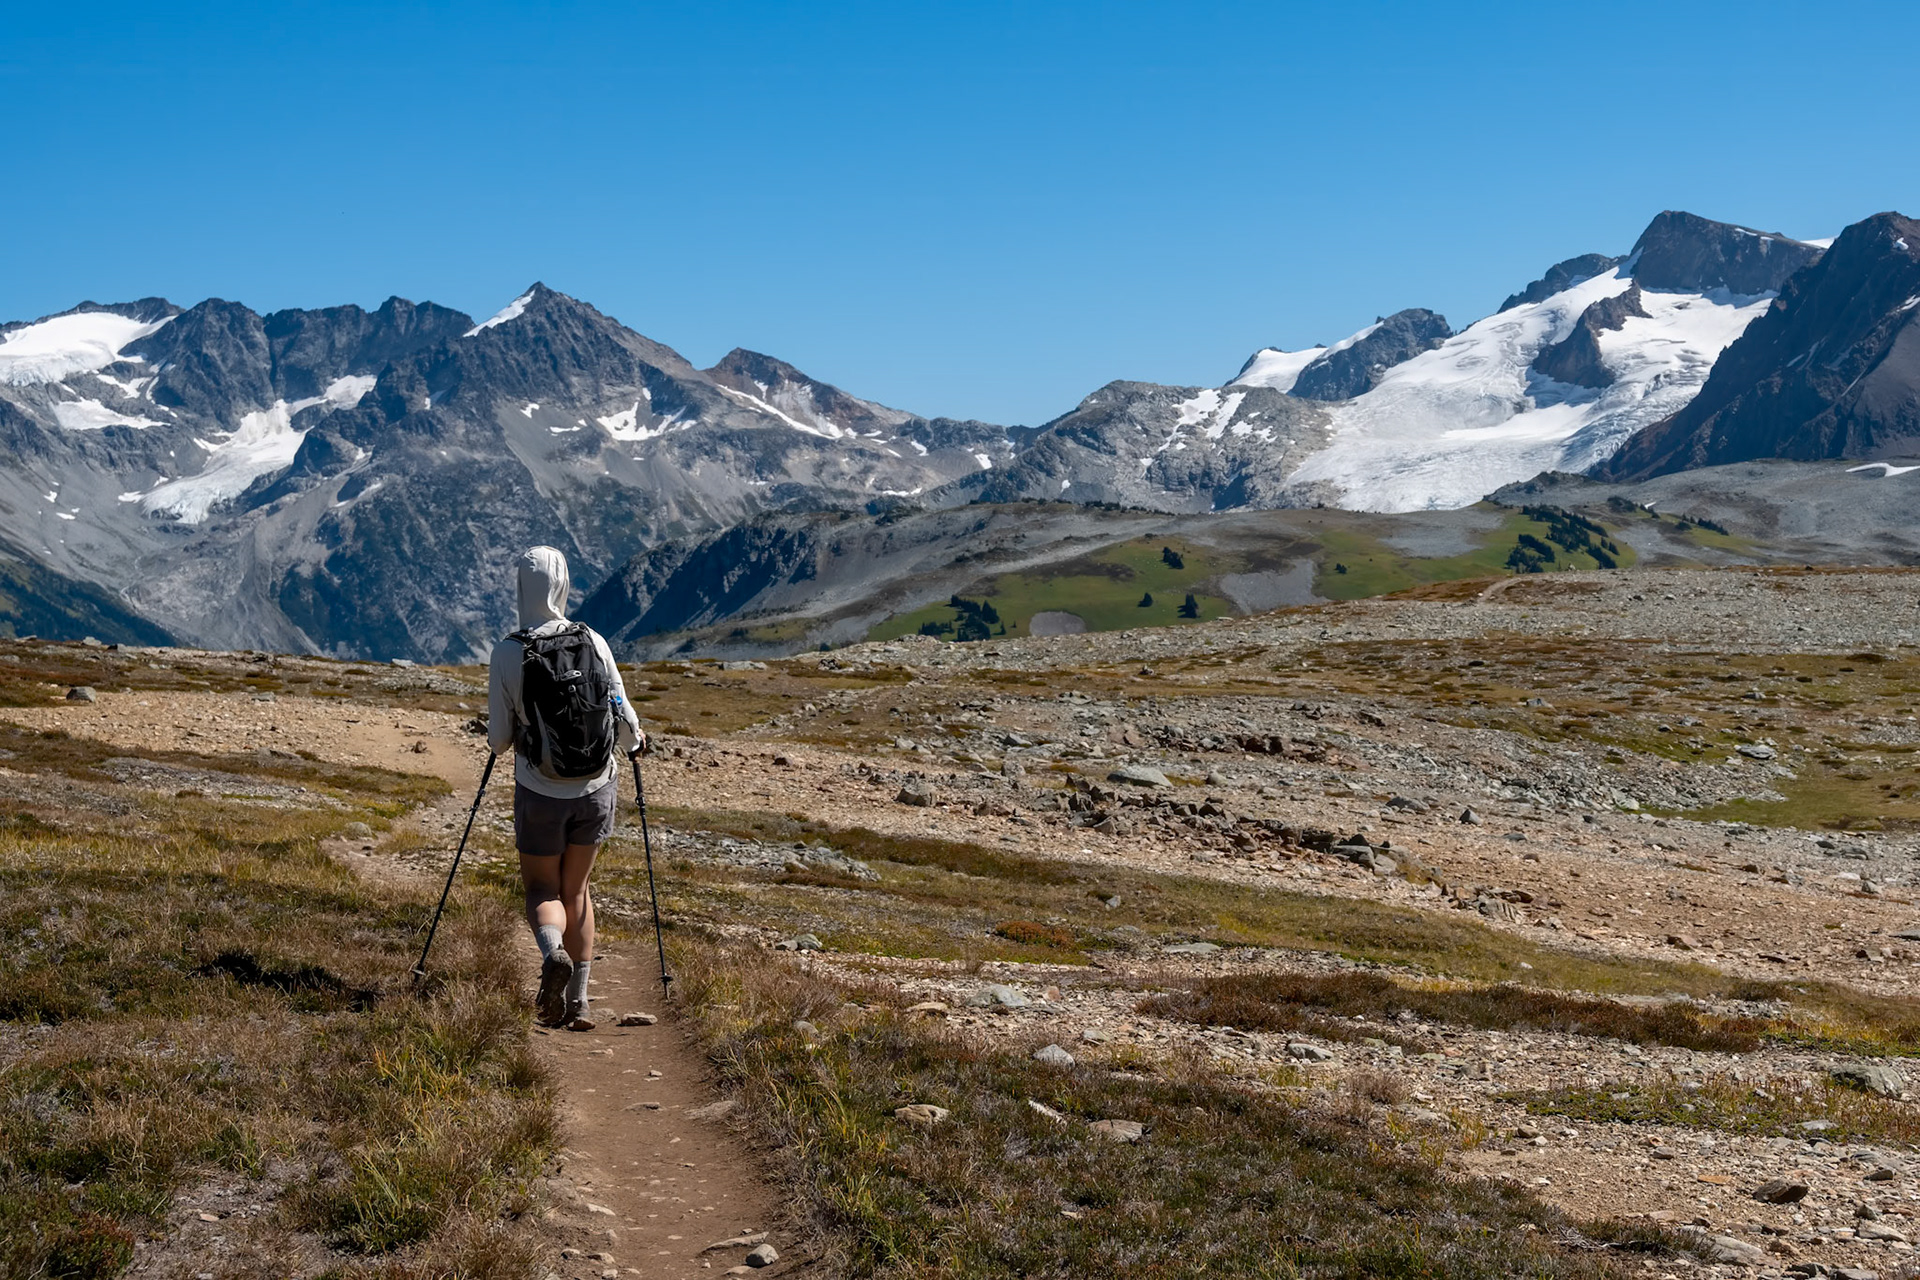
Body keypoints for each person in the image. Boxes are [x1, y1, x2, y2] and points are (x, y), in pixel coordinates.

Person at [488, 546, 644, 1029]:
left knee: (541, 888)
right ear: (563, 585)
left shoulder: (509, 651)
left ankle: (552, 951)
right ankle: (579, 1001)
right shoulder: (593, 640)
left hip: (540, 790)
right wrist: (635, 746)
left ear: (521, 587)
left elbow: (498, 742)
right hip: (597, 787)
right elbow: (623, 717)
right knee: (577, 890)